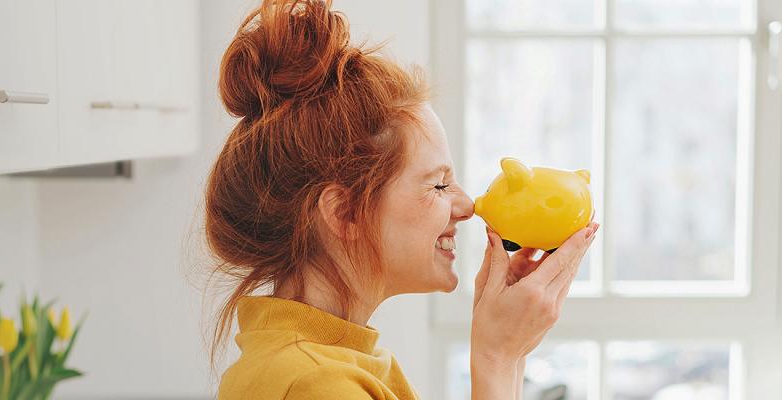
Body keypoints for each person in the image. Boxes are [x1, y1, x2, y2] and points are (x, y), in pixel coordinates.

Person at [204, 0, 600, 399]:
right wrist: (495, 357)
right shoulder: (316, 384)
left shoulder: (341, 360)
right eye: (439, 185)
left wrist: (512, 354)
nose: (468, 208)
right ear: (345, 213)